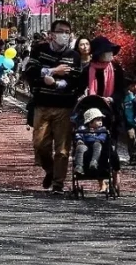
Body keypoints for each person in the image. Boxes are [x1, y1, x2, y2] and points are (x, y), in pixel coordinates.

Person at [23, 19, 84, 195]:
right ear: (52, 34)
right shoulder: (40, 50)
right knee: (40, 145)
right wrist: (52, 71)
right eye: (60, 31)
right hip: (42, 105)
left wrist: (57, 84)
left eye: (67, 31)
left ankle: (58, 183)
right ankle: (50, 170)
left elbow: (75, 81)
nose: (63, 35)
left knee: (62, 149)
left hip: (64, 107)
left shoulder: (74, 56)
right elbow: (30, 72)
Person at [72, 108, 110, 179]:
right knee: (80, 147)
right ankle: (79, 166)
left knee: (97, 144)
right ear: (90, 122)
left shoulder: (102, 129)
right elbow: (78, 135)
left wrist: (98, 139)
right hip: (85, 144)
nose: (100, 122)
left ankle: (94, 162)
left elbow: (103, 137)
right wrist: (79, 140)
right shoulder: (83, 128)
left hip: (96, 144)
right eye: (98, 120)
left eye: (101, 120)